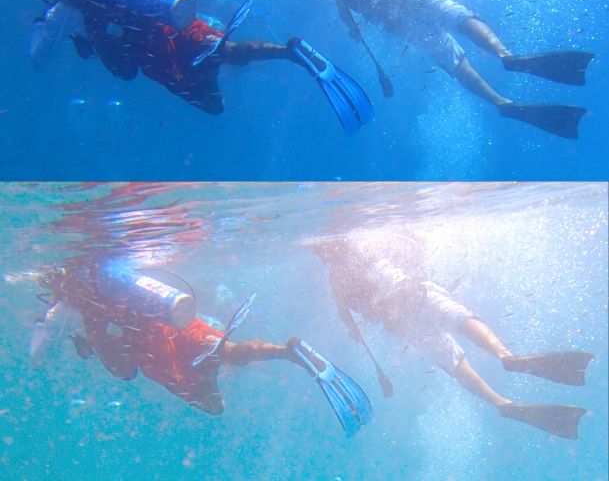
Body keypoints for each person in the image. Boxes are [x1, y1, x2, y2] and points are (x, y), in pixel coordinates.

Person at [31, 0, 373, 135]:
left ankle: (208, 68)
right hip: (173, 20)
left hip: (153, 51)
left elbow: (124, 72)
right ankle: (289, 50)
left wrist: (93, 42)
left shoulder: (84, 9)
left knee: (213, 105)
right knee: (231, 49)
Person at [31, 259, 372, 437]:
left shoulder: (79, 310)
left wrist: (93, 344)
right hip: (173, 322)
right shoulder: (112, 275)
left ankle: (208, 368)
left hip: (154, 353)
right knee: (230, 349)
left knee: (212, 405)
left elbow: (123, 371)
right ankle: (287, 351)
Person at [310, 235, 593, 440]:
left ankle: (502, 404)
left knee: (455, 362)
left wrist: (356, 331)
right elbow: (412, 247)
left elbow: (348, 320)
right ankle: (507, 357)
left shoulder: (337, 276)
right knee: (461, 318)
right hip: (415, 293)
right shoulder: (363, 243)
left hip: (402, 322)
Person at [315, 0, 594, 139]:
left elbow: (348, 22)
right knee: (461, 18)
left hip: (402, 24)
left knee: (455, 62)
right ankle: (507, 56)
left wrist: (355, 29)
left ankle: (503, 103)